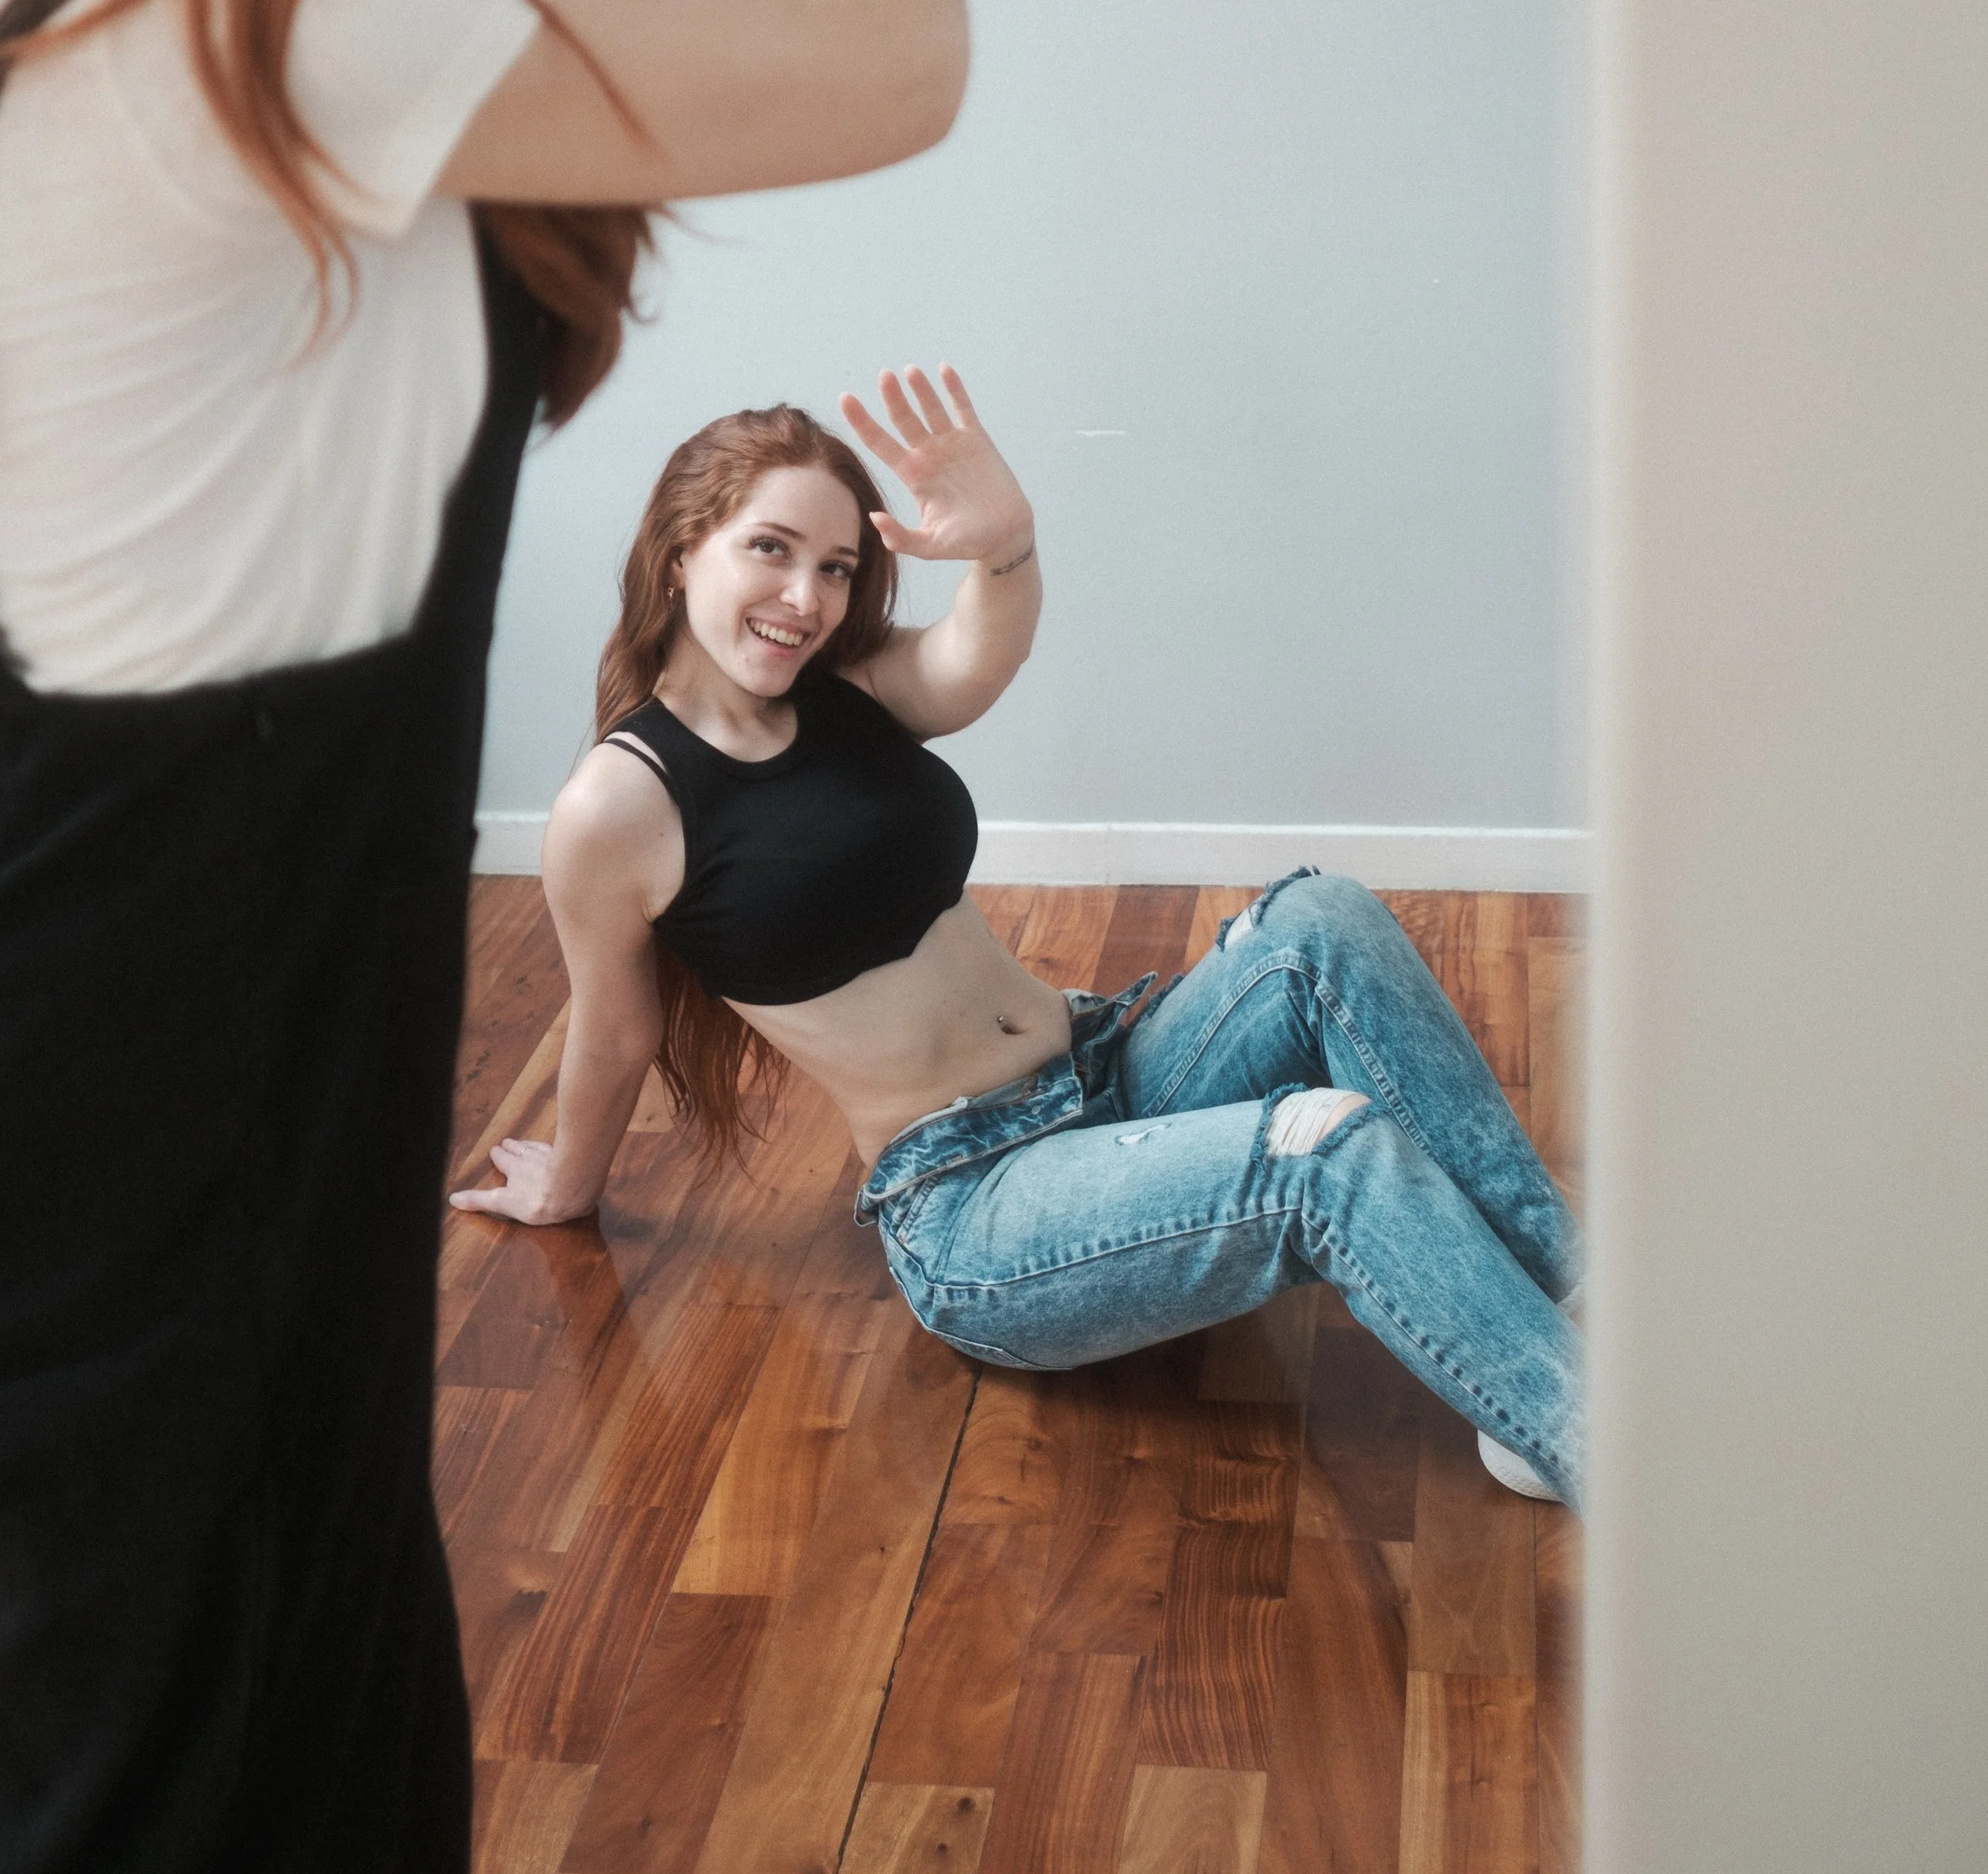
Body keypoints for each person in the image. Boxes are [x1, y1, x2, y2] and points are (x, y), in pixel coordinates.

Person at [0, 0, 965, 1874]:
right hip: (136, 1098)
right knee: (178, 1848)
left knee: (236, 1787)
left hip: (148, 1046)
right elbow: (895, 50)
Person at [455, 367, 1586, 1511]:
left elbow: (968, 662)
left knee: (1319, 921)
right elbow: (614, 1028)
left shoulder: (835, 682)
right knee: (1325, 1150)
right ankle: (1607, 1444)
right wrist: (569, 1186)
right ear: (683, 547)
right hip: (982, 1200)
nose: (806, 596)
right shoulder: (616, 806)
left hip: (1104, 1071)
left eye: (837, 567)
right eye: (772, 549)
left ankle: (1566, 1303)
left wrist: (1006, 545)